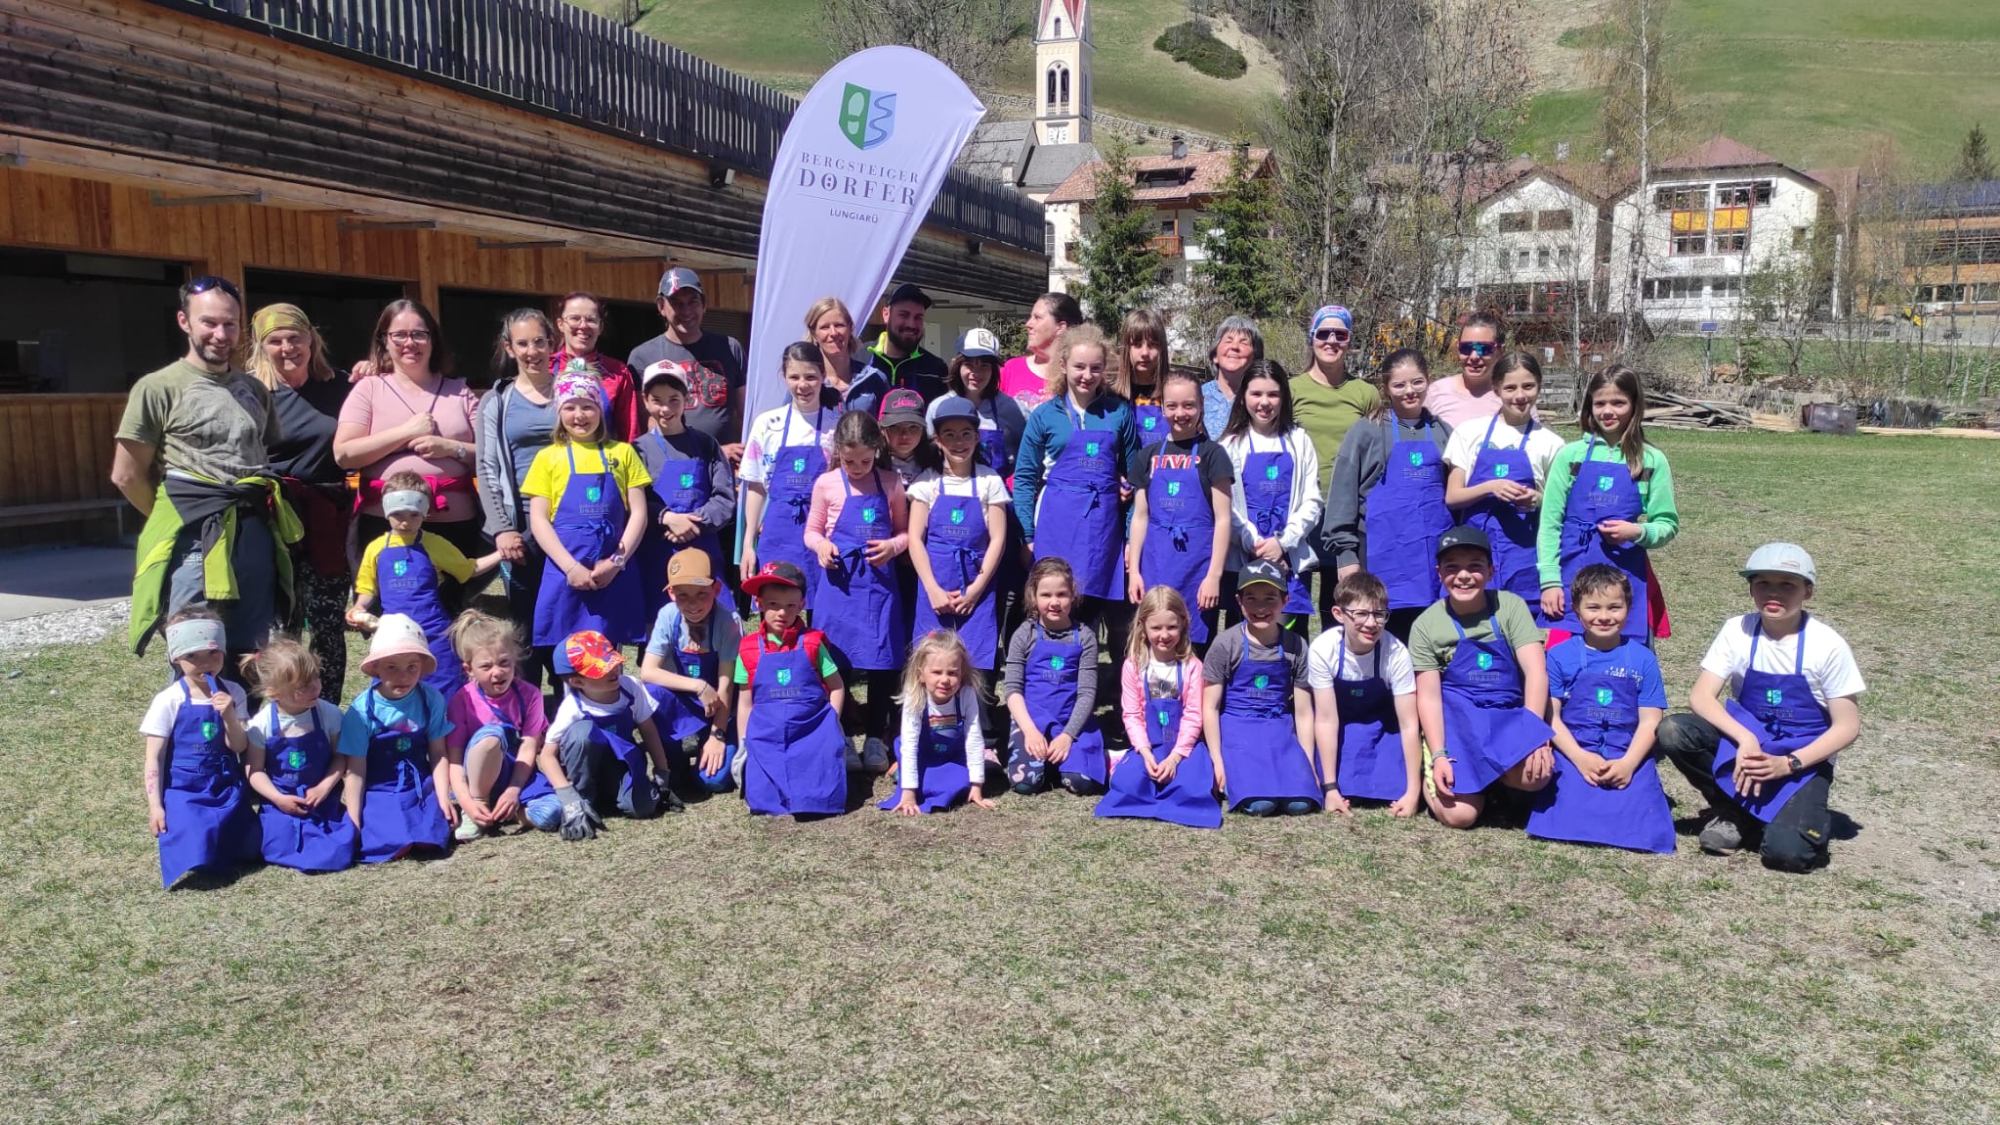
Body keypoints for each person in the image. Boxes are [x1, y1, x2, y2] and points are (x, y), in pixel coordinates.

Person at [114, 275, 295, 666]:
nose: (220, 333)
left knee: (255, 650)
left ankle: (245, 726)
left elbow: (264, 455)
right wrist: (176, 519)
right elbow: (126, 475)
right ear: (184, 321)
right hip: (193, 538)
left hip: (252, 531)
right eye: (209, 322)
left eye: (230, 324)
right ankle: (198, 727)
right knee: (197, 650)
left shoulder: (254, 390)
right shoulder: (157, 388)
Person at [1655, 544, 1864, 872]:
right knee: (1675, 730)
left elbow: (1847, 726)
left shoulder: (1828, 645)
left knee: (1786, 855)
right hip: (1747, 750)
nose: (1773, 594)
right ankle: (1733, 812)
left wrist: (1788, 764)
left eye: (1787, 585)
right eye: (1763, 583)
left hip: (1802, 761)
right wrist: (1746, 739)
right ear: (1751, 587)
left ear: (1808, 591)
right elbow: (1701, 697)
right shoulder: (1737, 630)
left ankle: (1788, 821)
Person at [1014, 324, 1141, 677]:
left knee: (1105, 620)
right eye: (1079, 367)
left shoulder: (1119, 413)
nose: (1087, 376)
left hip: (1104, 533)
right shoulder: (1044, 416)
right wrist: (1026, 535)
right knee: (1056, 614)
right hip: (1057, 528)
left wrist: (1131, 537)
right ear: (1064, 366)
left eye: (1095, 368)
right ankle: (1050, 690)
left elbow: (1134, 479)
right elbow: (1025, 478)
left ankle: (1111, 698)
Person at [1410, 526, 1556, 830]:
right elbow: (1429, 697)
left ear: (1491, 570)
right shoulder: (1426, 625)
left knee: (1536, 775)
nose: (1464, 576)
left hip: (1507, 717)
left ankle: (1497, 785)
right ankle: (1438, 777)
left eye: (1475, 566)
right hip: (1459, 723)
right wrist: (1438, 755)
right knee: (1459, 816)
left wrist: (1531, 737)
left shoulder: (1510, 606)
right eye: (1452, 567)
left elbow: (1536, 672)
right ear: (1439, 573)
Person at [1523, 565, 1674, 853]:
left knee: (1644, 817)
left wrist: (1629, 764)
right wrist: (1580, 758)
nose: (1604, 616)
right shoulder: (1558, 656)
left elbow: (1650, 720)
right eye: (1593, 607)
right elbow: (1550, 716)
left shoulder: (1643, 659)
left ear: (1629, 608)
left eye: (1614, 607)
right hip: (1574, 748)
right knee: (1566, 808)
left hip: (1626, 750)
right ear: (1577, 611)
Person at [251, 303, 353, 696]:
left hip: (329, 517)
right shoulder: (250, 392)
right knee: (282, 626)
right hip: (274, 520)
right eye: (275, 340)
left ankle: (326, 713)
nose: (287, 347)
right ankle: (281, 714)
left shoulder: (342, 385)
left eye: (296, 337)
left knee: (328, 627)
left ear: (313, 340)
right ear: (262, 346)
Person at [1538, 364, 1679, 645]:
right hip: (1572, 569)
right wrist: (1550, 581)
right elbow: (1550, 522)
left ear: (1635, 406)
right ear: (1589, 406)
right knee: (1567, 660)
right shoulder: (1570, 456)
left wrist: (1637, 532)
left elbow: (1667, 523)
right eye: (1600, 403)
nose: (1608, 411)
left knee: (1624, 661)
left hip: (1624, 572)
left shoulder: (1651, 460)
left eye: (1618, 403)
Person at [1321, 348, 1454, 641]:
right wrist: (1346, 556)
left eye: (1417, 382)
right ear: (1386, 388)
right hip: (1379, 556)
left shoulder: (1443, 431)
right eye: (1399, 385)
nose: (1410, 391)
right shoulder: (1367, 430)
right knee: (1379, 639)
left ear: (1428, 381)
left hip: (1431, 561)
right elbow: (1343, 494)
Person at [333, 299, 484, 556]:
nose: (409, 343)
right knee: (389, 596)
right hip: (383, 525)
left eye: (419, 334)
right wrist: (406, 432)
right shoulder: (368, 389)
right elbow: (344, 455)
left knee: (449, 597)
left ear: (432, 340)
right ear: (384, 340)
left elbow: (491, 455)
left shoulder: (459, 392)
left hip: (455, 525)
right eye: (399, 335)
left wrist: (450, 448)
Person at [805, 410, 909, 772]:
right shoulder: (826, 484)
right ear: (838, 451)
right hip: (839, 586)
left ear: (878, 449)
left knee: (882, 662)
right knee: (838, 660)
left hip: (879, 588)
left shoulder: (892, 483)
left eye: (865, 460)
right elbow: (812, 531)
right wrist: (821, 547)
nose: (858, 466)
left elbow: (906, 532)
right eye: (850, 460)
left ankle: (877, 738)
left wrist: (893, 548)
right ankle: (844, 733)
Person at [523, 368, 651, 649]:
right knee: (568, 656)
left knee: (608, 653)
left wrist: (616, 563)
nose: (579, 415)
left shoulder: (623, 453)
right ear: (559, 411)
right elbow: (539, 521)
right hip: (566, 571)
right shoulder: (548, 457)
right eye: (570, 407)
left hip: (612, 571)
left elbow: (639, 514)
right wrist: (571, 568)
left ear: (600, 409)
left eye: (587, 406)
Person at [348, 471, 503, 694]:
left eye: (414, 515)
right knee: (395, 688)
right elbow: (366, 587)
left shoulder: (434, 544)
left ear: (425, 512)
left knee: (445, 687)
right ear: (386, 510)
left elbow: (468, 569)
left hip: (433, 631)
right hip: (394, 633)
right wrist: (360, 607)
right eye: (398, 514)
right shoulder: (376, 548)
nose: (405, 521)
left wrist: (501, 554)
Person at [141, 608, 260, 888]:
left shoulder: (234, 692)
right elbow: (154, 758)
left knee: (249, 844)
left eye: (212, 653)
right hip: (185, 789)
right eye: (192, 656)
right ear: (176, 659)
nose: (204, 663)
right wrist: (156, 806)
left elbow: (239, 745)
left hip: (224, 783)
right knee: (196, 840)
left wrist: (230, 715)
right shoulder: (168, 700)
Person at [475, 308, 561, 685]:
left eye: (539, 342)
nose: (532, 351)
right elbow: (486, 469)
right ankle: (529, 716)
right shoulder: (497, 402)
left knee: (566, 623)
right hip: (522, 530)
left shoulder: (571, 393)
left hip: (569, 526)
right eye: (522, 343)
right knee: (525, 625)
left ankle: (571, 712)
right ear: (509, 348)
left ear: (552, 344)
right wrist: (502, 529)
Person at [1443, 351, 1561, 618]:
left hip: (1525, 554)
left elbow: (1558, 506)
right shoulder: (1469, 432)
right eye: (1510, 387)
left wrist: (1537, 500)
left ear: (1539, 387)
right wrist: (1491, 487)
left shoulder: (1552, 443)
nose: (1520, 395)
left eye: (1528, 386)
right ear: (1496, 389)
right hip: (1475, 553)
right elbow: (1452, 496)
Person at [1095, 585, 1221, 829]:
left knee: (1193, 785)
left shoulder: (1192, 666)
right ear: (1143, 627)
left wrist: (1175, 758)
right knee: (1129, 782)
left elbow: (1194, 715)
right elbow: (1131, 714)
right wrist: (1144, 752)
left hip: (1183, 749)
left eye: (1171, 627)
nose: (1164, 635)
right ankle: (1126, 765)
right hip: (1149, 746)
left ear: (1184, 624)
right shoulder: (1133, 665)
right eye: (1156, 628)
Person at [1202, 561, 1320, 817]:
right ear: (1239, 601)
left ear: (1285, 601)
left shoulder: (1296, 645)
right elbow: (1209, 707)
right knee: (1261, 805)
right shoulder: (1226, 643)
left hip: (1279, 726)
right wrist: (1217, 760)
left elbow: (1303, 711)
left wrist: (1307, 761)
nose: (1261, 607)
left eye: (1270, 598)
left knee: (1300, 804)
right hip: (1238, 729)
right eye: (1251, 599)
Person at [1127, 369, 1233, 647]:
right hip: (1155, 565)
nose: (1180, 413)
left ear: (1201, 407)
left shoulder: (1213, 455)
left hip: (1197, 568)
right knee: (1154, 642)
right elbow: (1140, 517)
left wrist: (1214, 576)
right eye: (1172, 406)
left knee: (1194, 646)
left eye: (1188, 405)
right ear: (1162, 407)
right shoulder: (1147, 455)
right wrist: (1135, 571)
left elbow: (1223, 520)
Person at [735, 562, 850, 818]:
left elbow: (837, 686)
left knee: (819, 780)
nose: (781, 613)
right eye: (773, 604)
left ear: (801, 604)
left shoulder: (812, 643)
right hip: (767, 734)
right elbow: (745, 701)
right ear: (759, 604)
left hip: (811, 729)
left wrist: (831, 722)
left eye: (790, 606)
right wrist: (745, 741)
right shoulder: (747, 649)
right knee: (764, 795)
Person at [339, 613, 456, 864]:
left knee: (431, 837)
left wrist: (444, 796)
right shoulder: (361, 710)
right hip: (380, 787)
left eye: (411, 667)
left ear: (422, 667)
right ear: (376, 668)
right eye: (392, 667)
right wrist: (353, 817)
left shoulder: (431, 699)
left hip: (420, 783)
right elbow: (356, 770)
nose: (403, 676)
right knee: (391, 843)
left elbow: (438, 753)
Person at [908, 397, 1009, 673]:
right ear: (938, 440)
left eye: (966, 434)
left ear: (977, 438)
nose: (958, 441)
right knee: (931, 663)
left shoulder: (990, 481)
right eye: (949, 435)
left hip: (977, 586)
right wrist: (932, 589)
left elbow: (998, 539)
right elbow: (915, 539)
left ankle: (976, 716)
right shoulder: (926, 482)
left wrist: (975, 590)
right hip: (935, 588)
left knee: (973, 663)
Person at [632, 357, 736, 624]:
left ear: (686, 399)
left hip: (704, 549)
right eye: (657, 400)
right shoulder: (636, 450)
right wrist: (667, 518)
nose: (665, 408)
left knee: (712, 628)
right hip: (658, 553)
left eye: (673, 399)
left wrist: (693, 523)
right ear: (645, 400)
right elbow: (632, 500)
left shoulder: (706, 445)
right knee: (661, 630)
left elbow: (724, 497)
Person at [1308, 572, 1421, 817]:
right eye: (1361, 614)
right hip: (1339, 726)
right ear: (1339, 614)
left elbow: (1410, 724)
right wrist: (1330, 787)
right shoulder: (1322, 649)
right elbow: (1326, 720)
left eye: (1379, 614)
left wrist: (1413, 792)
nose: (1371, 624)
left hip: (1381, 727)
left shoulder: (1396, 653)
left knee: (1394, 782)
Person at [1219, 362, 1321, 632]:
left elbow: (1312, 501)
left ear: (1284, 397)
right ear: (1243, 397)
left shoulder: (1299, 441)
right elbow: (1225, 506)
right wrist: (1252, 542)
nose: (1264, 402)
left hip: (1290, 562)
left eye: (1273, 394)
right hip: (1244, 559)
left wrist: (1283, 542)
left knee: (1289, 641)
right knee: (1244, 640)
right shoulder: (1229, 445)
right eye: (1256, 394)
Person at [442, 611, 558, 842]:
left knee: (552, 814)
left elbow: (528, 748)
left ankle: (508, 811)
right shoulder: (461, 699)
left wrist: (514, 789)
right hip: (475, 775)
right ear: (469, 669)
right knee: (493, 735)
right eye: (486, 666)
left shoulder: (530, 695)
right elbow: (454, 760)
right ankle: (477, 808)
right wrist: (467, 801)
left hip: (514, 772)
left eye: (504, 662)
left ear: (514, 660)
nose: (497, 672)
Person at [243, 637, 357, 872]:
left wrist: (325, 786)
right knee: (267, 844)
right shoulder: (261, 723)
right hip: (280, 801)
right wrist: (277, 798)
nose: (314, 687)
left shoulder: (329, 714)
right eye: (301, 687)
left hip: (322, 800)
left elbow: (340, 757)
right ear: (274, 693)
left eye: (316, 677)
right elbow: (254, 771)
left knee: (340, 849)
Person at [639, 549, 743, 796]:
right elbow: (647, 672)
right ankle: (674, 758)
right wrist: (698, 686)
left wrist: (718, 735)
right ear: (671, 593)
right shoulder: (668, 616)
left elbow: (726, 685)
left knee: (713, 781)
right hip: (688, 698)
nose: (693, 604)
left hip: (720, 705)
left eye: (701, 594)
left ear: (716, 590)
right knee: (652, 694)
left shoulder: (728, 622)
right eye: (683, 595)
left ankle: (713, 740)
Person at [739, 342, 842, 588]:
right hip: (778, 532)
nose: (802, 385)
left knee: (821, 611)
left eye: (810, 377)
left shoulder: (837, 425)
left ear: (823, 376)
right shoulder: (767, 423)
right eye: (794, 377)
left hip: (824, 531)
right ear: (784, 377)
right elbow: (755, 487)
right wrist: (747, 545)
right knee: (778, 609)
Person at [547, 630, 680, 819]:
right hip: (583, 768)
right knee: (582, 734)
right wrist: (568, 799)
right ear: (577, 681)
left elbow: (648, 730)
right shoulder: (573, 706)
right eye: (601, 670)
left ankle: (611, 793)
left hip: (619, 763)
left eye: (612, 663)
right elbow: (546, 756)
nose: (613, 670)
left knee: (644, 808)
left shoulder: (631, 687)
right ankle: (583, 800)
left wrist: (662, 773)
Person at [1003, 558, 1106, 796]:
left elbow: (1086, 693)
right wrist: (1029, 731)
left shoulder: (1085, 637)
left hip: (1071, 722)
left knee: (1082, 783)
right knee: (1025, 783)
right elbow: (1012, 690)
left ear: (1073, 595)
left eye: (1062, 594)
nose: (1054, 602)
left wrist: (1068, 736)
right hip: (1032, 721)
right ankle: (1043, 762)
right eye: (1046, 595)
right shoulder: (1024, 634)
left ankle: (1065, 760)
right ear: (1033, 597)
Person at [627, 268, 746, 463]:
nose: (686, 311)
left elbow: (746, 413)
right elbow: (648, 421)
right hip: (672, 464)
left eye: (693, 302)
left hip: (725, 467)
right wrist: (711, 451)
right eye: (676, 303)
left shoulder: (730, 348)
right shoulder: (642, 356)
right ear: (661, 306)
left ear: (704, 305)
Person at [883, 630, 996, 816]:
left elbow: (974, 739)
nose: (945, 680)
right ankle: (904, 772)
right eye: (936, 672)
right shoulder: (915, 696)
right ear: (921, 674)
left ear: (962, 673)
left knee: (961, 782)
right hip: (921, 753)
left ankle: (910, 775)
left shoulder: (966, 694)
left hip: (951, 756)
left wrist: (977, 786)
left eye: (952, 673)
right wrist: (909, 794)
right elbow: (910, 745)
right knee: (914, 772)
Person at [926, 328, 1025, 480]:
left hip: (996, 497)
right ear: (958, 365)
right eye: (969, 364)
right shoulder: (938, 407)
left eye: (984, 365)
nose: (976, 373)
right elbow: (928, 456)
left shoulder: (1012, 408)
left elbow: (1025, 456)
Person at [550, 292, 641, 442]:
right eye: (574, 318)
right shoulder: (545, 368)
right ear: (560, 324)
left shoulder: (618, 372)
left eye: (591, 320)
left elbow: (630, 433)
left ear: (600, 327)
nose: (583, 325)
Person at [856, 283, 949, 403]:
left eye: (918, 317)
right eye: (904, 315)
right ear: (886, 314)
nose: (911, 324)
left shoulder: (935, 369)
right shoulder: (859, 359)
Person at [1000, 292, 1081, 413]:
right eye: (1030, 317)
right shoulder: (1011, 369)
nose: (1028, 324)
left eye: (1037, 318)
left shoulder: (1079, 375)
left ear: (1060, 327)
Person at [1423, 311, 1507, 427]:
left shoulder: (1513, 396)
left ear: (1500, 351)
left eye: (1483, 349)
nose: (1474, 357)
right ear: (1458, 348)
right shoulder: (1435, 393)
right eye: (1466, 348)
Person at [806, 296, 882, 417]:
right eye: (825, 327)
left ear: (850, 328)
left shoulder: (873, 378)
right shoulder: (805, 381)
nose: (833, 333)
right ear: (814, 334)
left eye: (839, 325)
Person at [1201, 316, 1264, 441]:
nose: (1234, 347)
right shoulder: (1197, 396)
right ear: (1215, 356)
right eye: (1228, 341)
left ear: (1255, 358)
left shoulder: (1263, 400)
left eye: (1244, 342)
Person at [1115, 308, 1172, 440]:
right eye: (1137, 344)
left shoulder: (1175, 394)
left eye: (1152, 345)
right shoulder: (1112, 398)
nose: (1145, 353)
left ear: (1161, 349)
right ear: (1126, 349)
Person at [878, 389, 939, 486]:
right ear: (882, 429)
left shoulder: (936, 460)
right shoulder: (870, 462)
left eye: (913, 427)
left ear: (923, 429)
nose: (904, 435)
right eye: (895, 427)